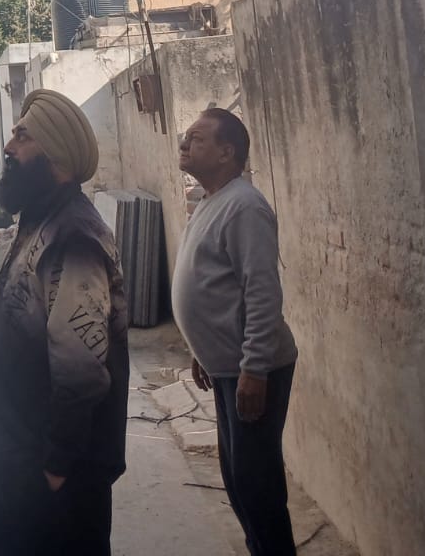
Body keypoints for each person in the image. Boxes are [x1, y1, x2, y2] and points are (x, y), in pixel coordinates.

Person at [0, 89, 129, 556]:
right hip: (17, 457)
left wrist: (57, 467)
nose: (9, 147)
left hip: (52, 475)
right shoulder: (42, 221)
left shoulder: (73, 235)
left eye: (23, 137)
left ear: (55, 154)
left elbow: (81, 368)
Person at [172, 109, 300, 556]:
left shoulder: (245, 206)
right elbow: (215, 286)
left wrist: (254, 369)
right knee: (238, 479)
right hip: (228, 368)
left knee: (257, 486)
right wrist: (201, 349)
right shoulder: (213, 201)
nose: (185, 144)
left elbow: (262, 292)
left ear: (227, 152)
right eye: (187, 137)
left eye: (197, 138)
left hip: (254, 369)